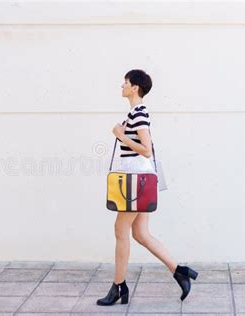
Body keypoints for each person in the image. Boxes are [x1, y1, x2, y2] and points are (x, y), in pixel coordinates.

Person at [96, 69, 199, 306]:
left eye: (126, 82)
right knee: (140, 233)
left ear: (135, 88)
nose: (122, 85)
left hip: (137, 179)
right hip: (139, 178)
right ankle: (179, 271)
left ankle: (119, 286)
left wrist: (121, 136)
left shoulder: (139, 113)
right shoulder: (135, 112)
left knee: (121, 230)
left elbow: (146, 149)